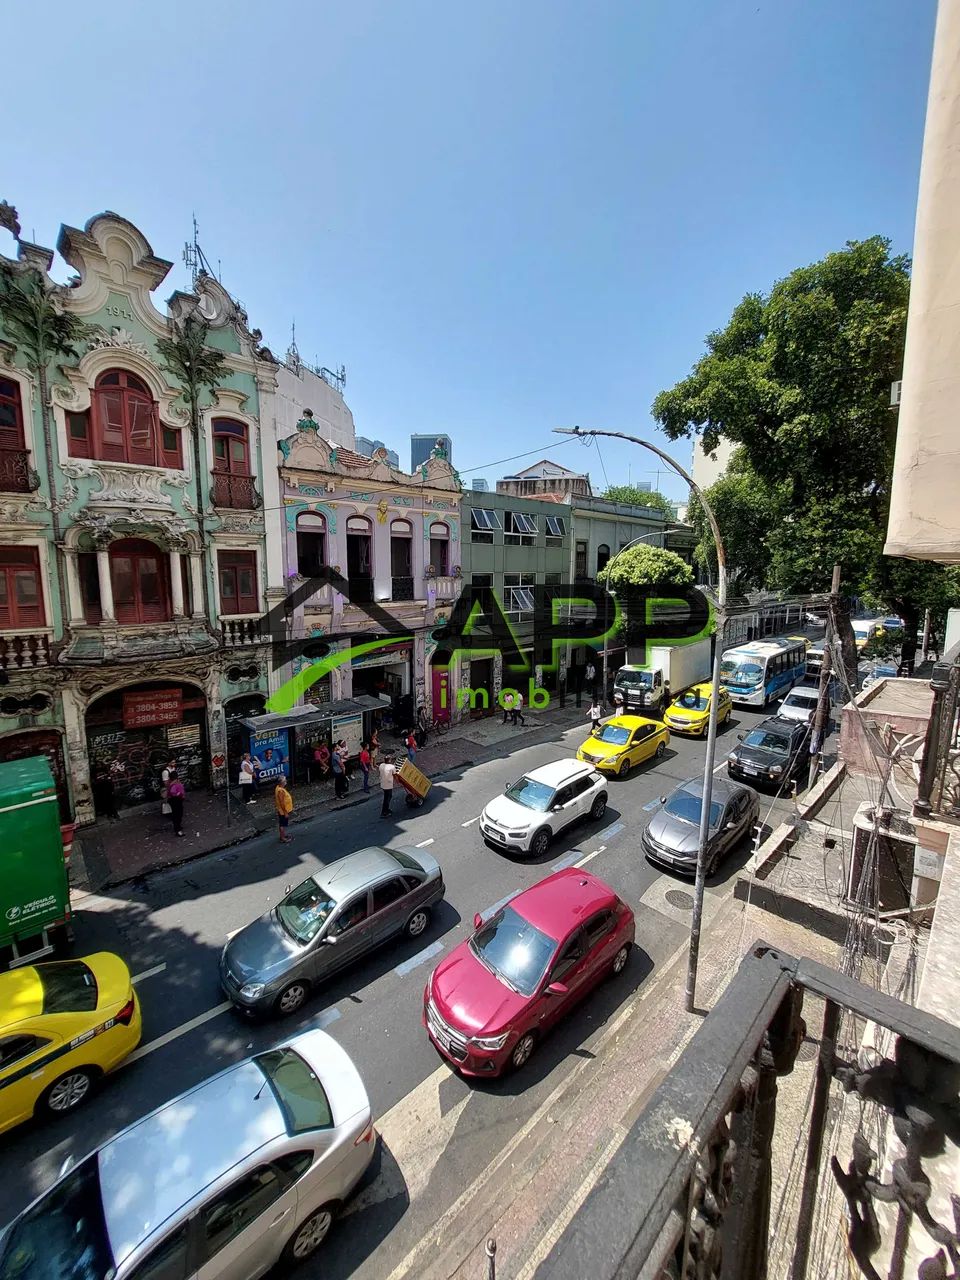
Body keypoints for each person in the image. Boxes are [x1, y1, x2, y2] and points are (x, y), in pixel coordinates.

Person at [275, 774, 294, 843]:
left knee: (282, 823)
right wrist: (285, 812)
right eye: (284, 780)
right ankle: (282, 838)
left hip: (282, 810)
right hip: (282, 811)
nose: (286, 781)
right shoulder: (280, 791)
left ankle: (283, 835)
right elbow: (282, 803)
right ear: (281, 782)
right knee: (282, 824)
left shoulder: (278, 788)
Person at [167, 770, 185, 837]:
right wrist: (179, 794)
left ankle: (178, 827)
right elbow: (173, 793)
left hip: (175, 800)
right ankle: (178, 830)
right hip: (176, 800)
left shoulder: (173, 784)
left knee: (177, 814)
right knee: (177, 814)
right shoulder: (174, 785)